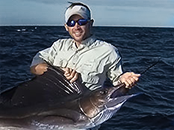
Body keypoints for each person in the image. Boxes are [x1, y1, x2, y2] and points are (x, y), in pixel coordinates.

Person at [30, 2, 140, 130]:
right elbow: (35, 65)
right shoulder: (58, 46)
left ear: (90, 23)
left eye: (81, 21)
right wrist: (56, 71)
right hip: (45, 120)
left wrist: (125, 80)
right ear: (66, 27)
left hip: (83, 124)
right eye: (72, 23)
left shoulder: (108, 51)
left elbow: (118, 83)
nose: (76, 26)